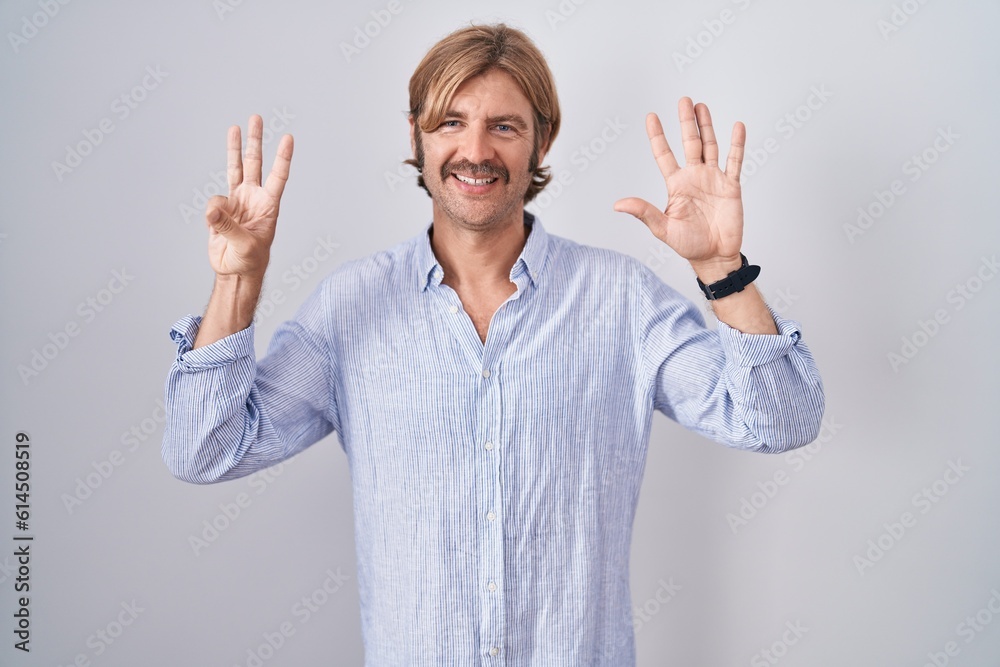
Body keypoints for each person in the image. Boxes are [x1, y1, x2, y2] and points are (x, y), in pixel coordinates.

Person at [162, 23, 824, 666]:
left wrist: (721, 268)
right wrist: (238, 280)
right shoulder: (351, 307)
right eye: (451, 121)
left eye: (503, 126)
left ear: (542, 140)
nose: (474, 149)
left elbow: (780, 420)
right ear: (418, 136)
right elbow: (204, 448)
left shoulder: (621, 301)